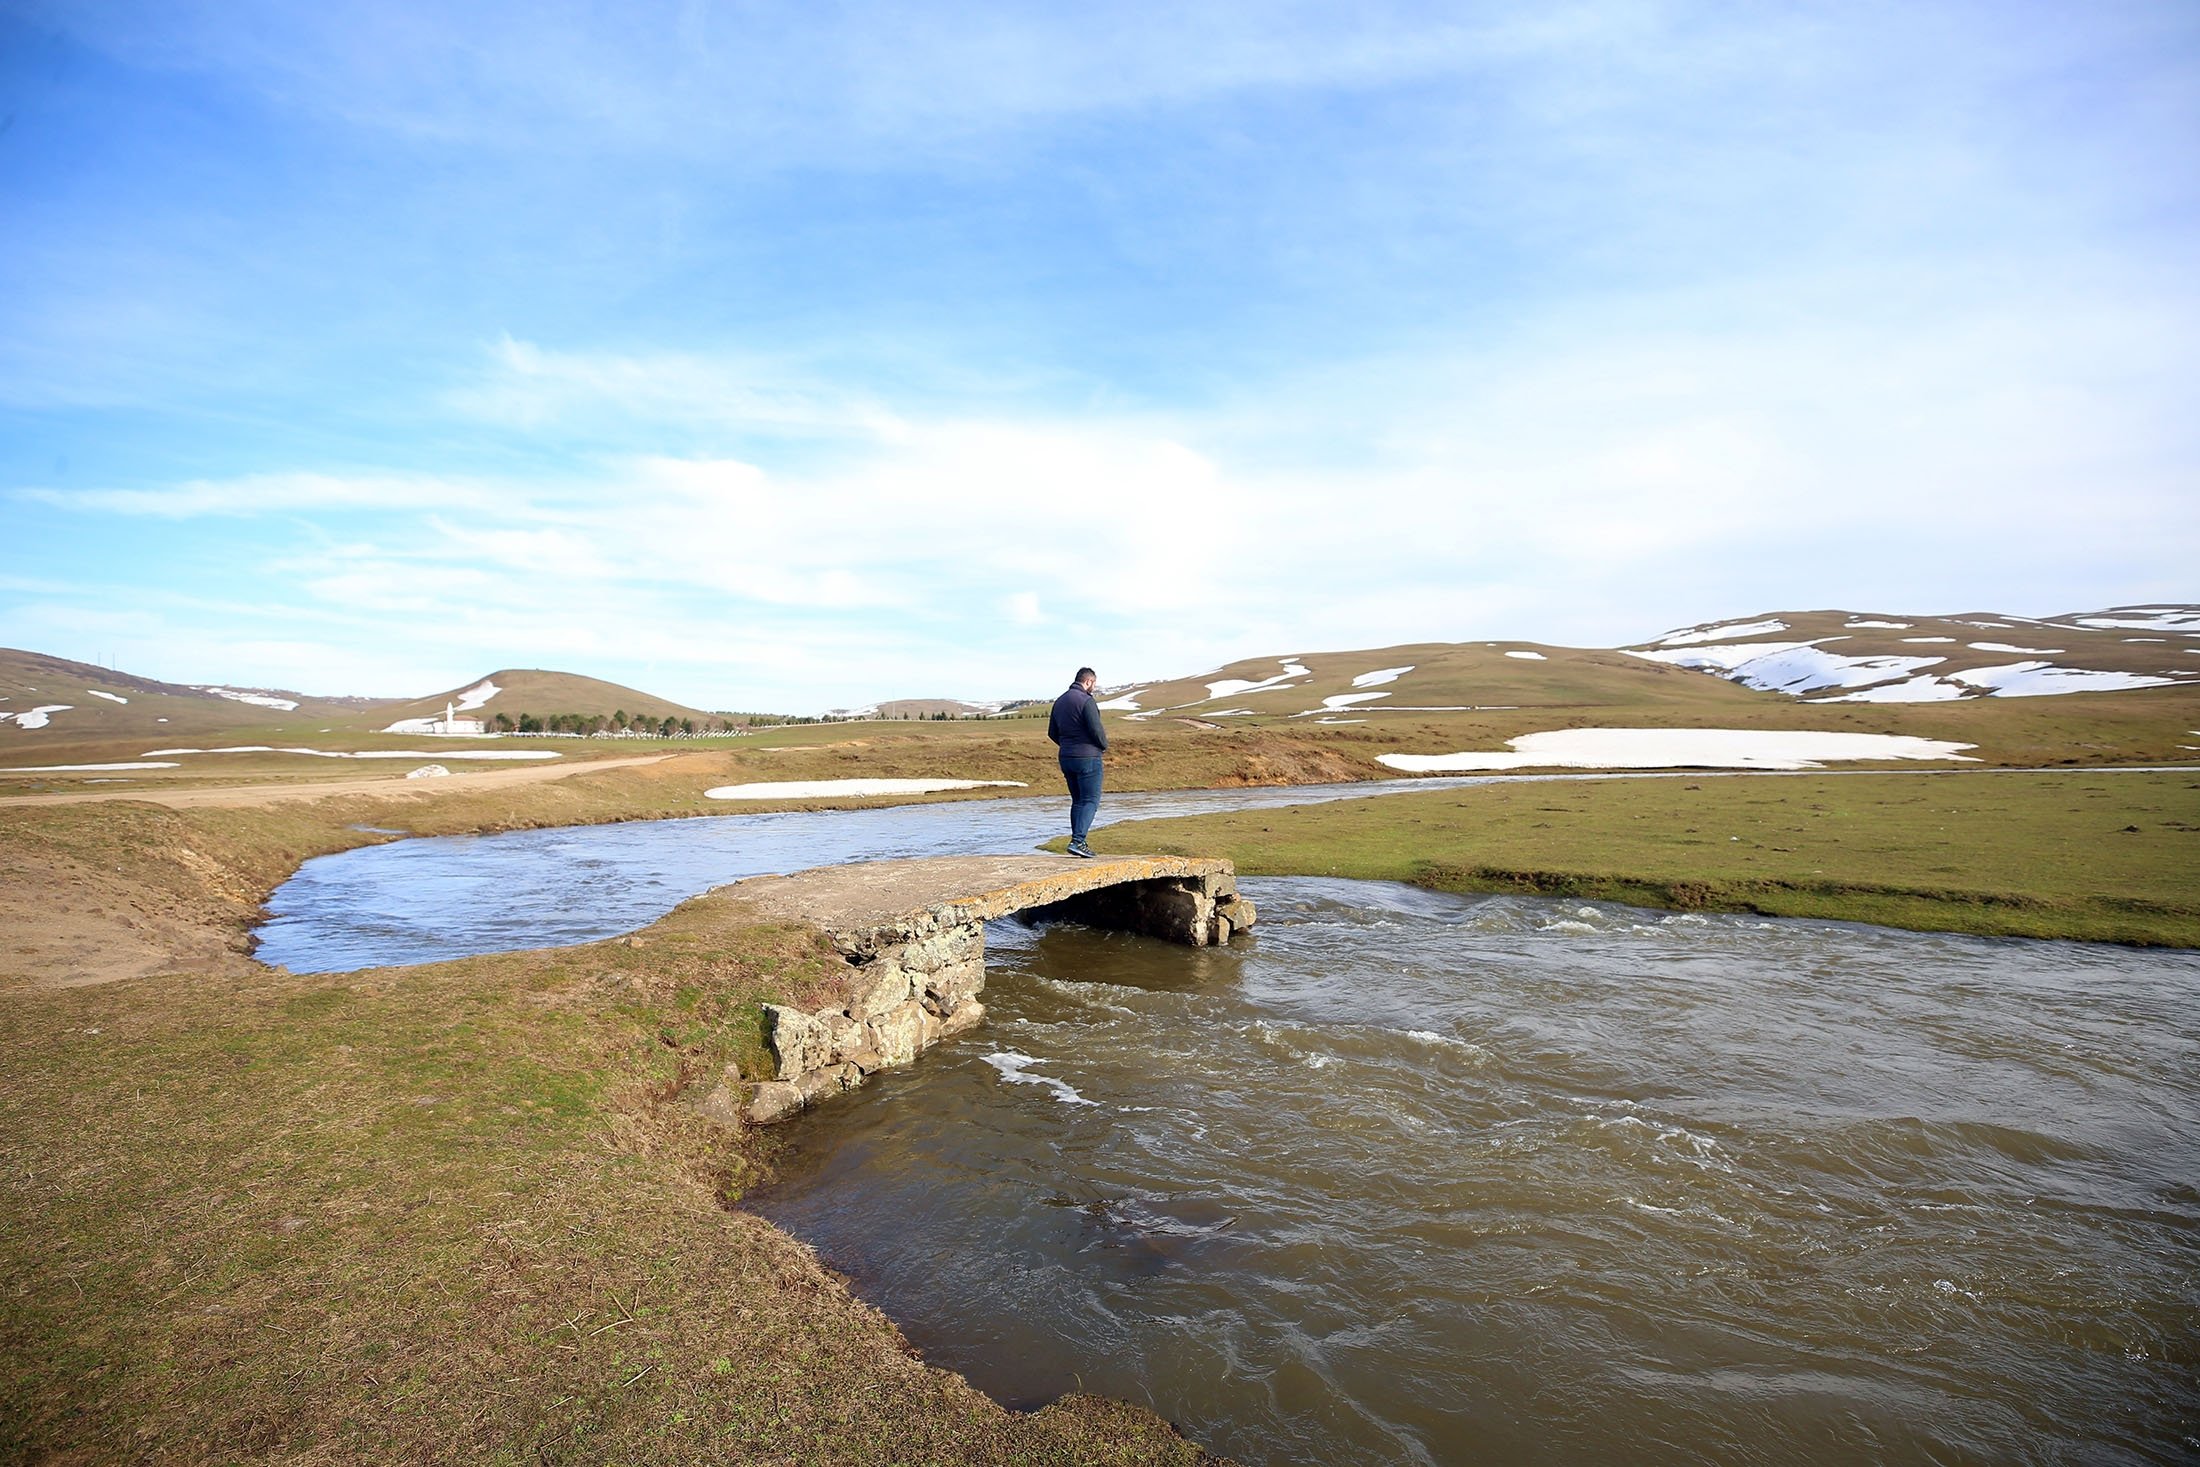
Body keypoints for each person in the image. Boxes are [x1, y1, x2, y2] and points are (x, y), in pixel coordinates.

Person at [1047, 666, 1108, 857]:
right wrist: (1103, 746)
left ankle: (1078, 840)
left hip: (1066, 757)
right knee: (1090, 800)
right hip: (1088, 757)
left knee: (1078, 801)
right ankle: (1078, 841)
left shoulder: (1060, 701)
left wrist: (1067, 745)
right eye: (1094, 684)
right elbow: (1096, 730)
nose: (1094, 688)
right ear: (1088, 681)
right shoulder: (1086, 701)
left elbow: (1052, 732)